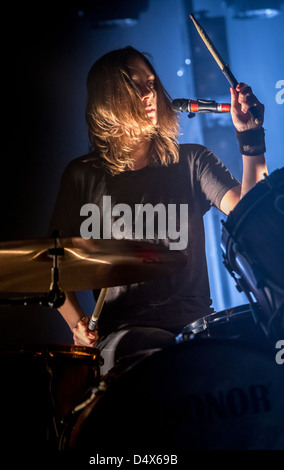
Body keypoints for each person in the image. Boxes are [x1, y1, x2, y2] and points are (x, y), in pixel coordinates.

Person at [49, 46, 267, 374]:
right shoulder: (83, 176)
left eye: (151, 83)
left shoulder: (193, 161)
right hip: (123, 339)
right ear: (108, 101)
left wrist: (251, 138)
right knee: (144, 349)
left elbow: (253, 218)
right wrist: (76, 323)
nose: (149, 93)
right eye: (135, 86)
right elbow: (51, 264)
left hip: (194, 331)